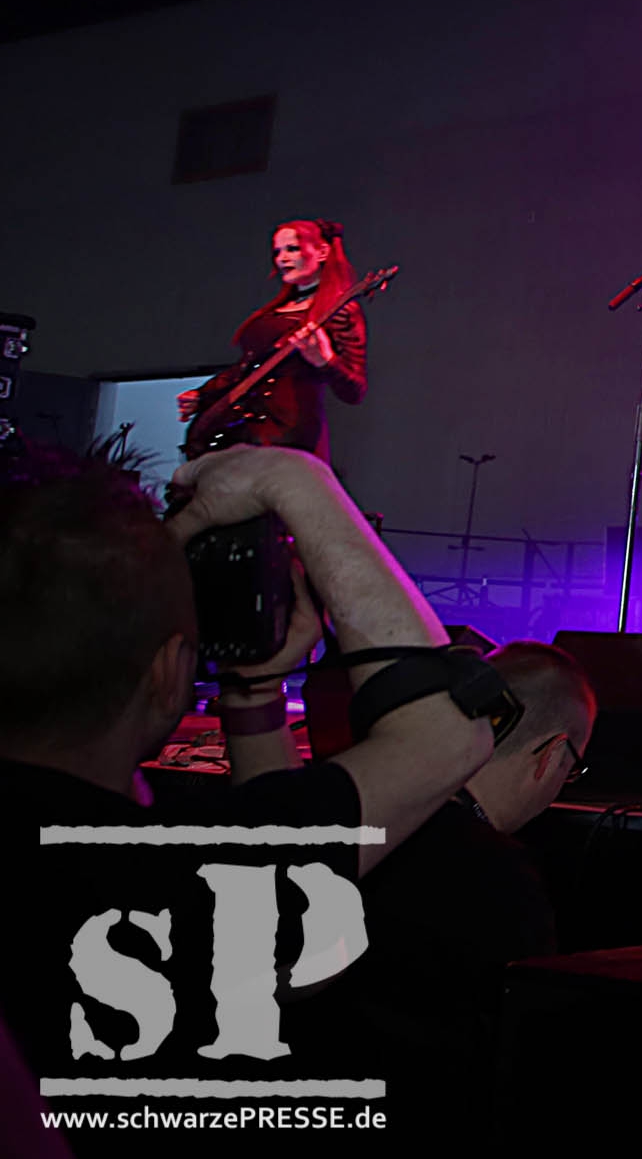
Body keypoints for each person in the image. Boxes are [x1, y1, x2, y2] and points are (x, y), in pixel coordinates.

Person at [0, 444, 495, 1122]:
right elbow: (446, 731)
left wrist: (254, 693)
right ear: (170, 672)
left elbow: (290, 912)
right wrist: (296, 479)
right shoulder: (156, 877)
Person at [289, 642, 596, 1125]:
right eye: (571, 769)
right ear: (553, 754)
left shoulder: (353, 818)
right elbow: (525, 1057)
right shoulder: (501, 880)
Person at [175, 218, 367, 456]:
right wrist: (203, 395)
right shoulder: (276, 310)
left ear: (322, 252)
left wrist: (325, 361)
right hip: (241, 428)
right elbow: (246, 367)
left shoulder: (339, 311)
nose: (282, 259)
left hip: (286, 435)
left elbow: (355, 390)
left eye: (292, 249)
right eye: (277, 252)